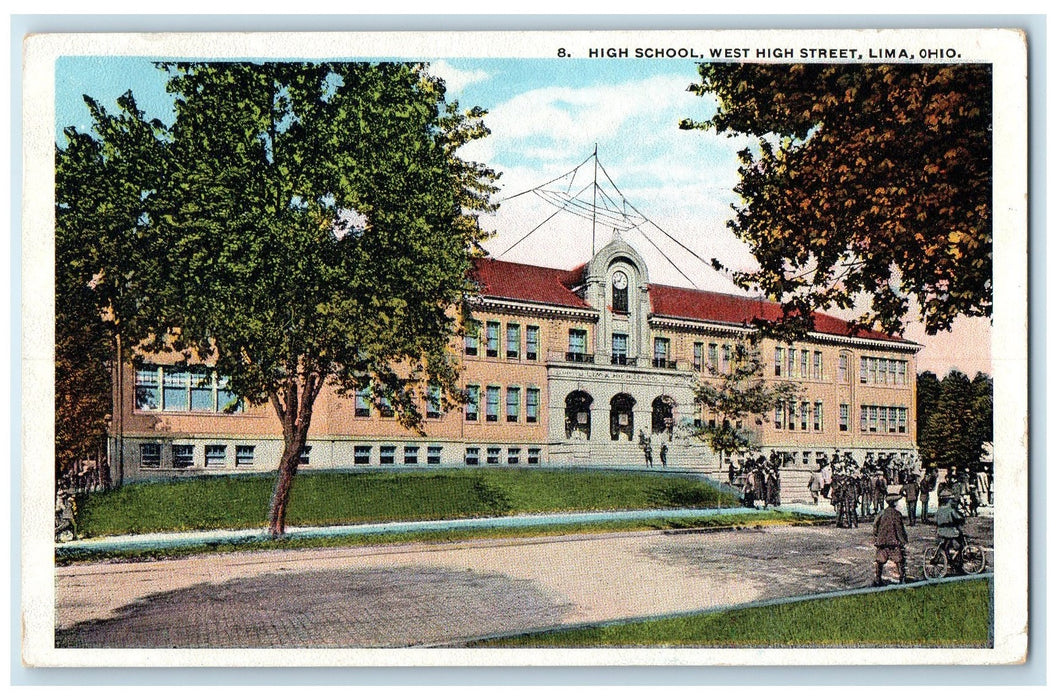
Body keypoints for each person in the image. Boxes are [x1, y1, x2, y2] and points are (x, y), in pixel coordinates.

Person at [873, 492, 909, 585]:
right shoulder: (897, 514)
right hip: (894, 542)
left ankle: (878, 579)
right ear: (894, 503)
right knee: (899, 560)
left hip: (882, 542)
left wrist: (877, 537)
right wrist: (903, 540)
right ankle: (902, 579)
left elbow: (875, 526)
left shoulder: (881, 513)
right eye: (897, 501)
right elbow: (899, 529)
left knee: (880, 561)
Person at [934, 490, 967, 570]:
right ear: (948, 500)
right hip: (951, 531)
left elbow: (936, 520)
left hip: (941, 531)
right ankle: (958, 561)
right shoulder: (950, 509)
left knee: (946, 546)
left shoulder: (939, 510)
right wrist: (963, 517)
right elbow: (958, 518)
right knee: (961, 544)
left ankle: (949, 559)